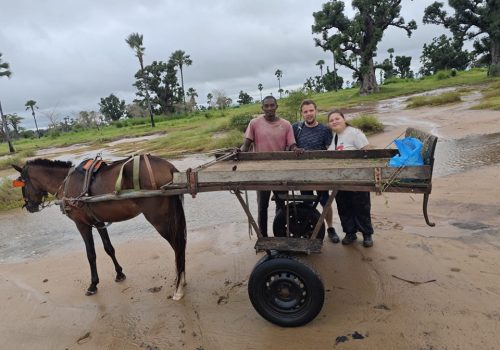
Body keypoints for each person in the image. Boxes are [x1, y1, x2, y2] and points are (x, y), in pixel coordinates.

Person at [240, 95, 299, 237]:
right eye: (266, 106)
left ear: (276, 107)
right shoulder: (254, 123)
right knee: (262, 206)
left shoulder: (286, 124)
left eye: (272, 105)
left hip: (280, 171)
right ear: (262, 108)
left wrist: (296, 149)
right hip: (261, 172)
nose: (269, 108)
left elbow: (292, 144)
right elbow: (246, 145)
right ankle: (263, 237)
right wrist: (239, 154)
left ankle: (281, 234)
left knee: (281, 205)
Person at [292, 99, 339, 243]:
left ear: (316, 111)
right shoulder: (296, 128)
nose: (309, 114)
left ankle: (330, 228)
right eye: (305, 111)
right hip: (303, 173)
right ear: (301, 114)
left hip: (320, 173)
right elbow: (290, 145)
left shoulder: (325, 130)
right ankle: (313, 227)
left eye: (311, 110)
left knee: (325, 201)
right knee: (307, 203)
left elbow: (330, 150)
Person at [327, 110, 374, 247]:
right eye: (331, 120)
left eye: (337, 119)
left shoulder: (354, 132)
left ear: (344, 119)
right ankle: (350, 233)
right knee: (344, 206)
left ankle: (366, 234)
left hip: (358, 178)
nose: (335, 122)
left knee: (362, 207)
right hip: (341, 178)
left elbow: (367, 150)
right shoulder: (335, 136)